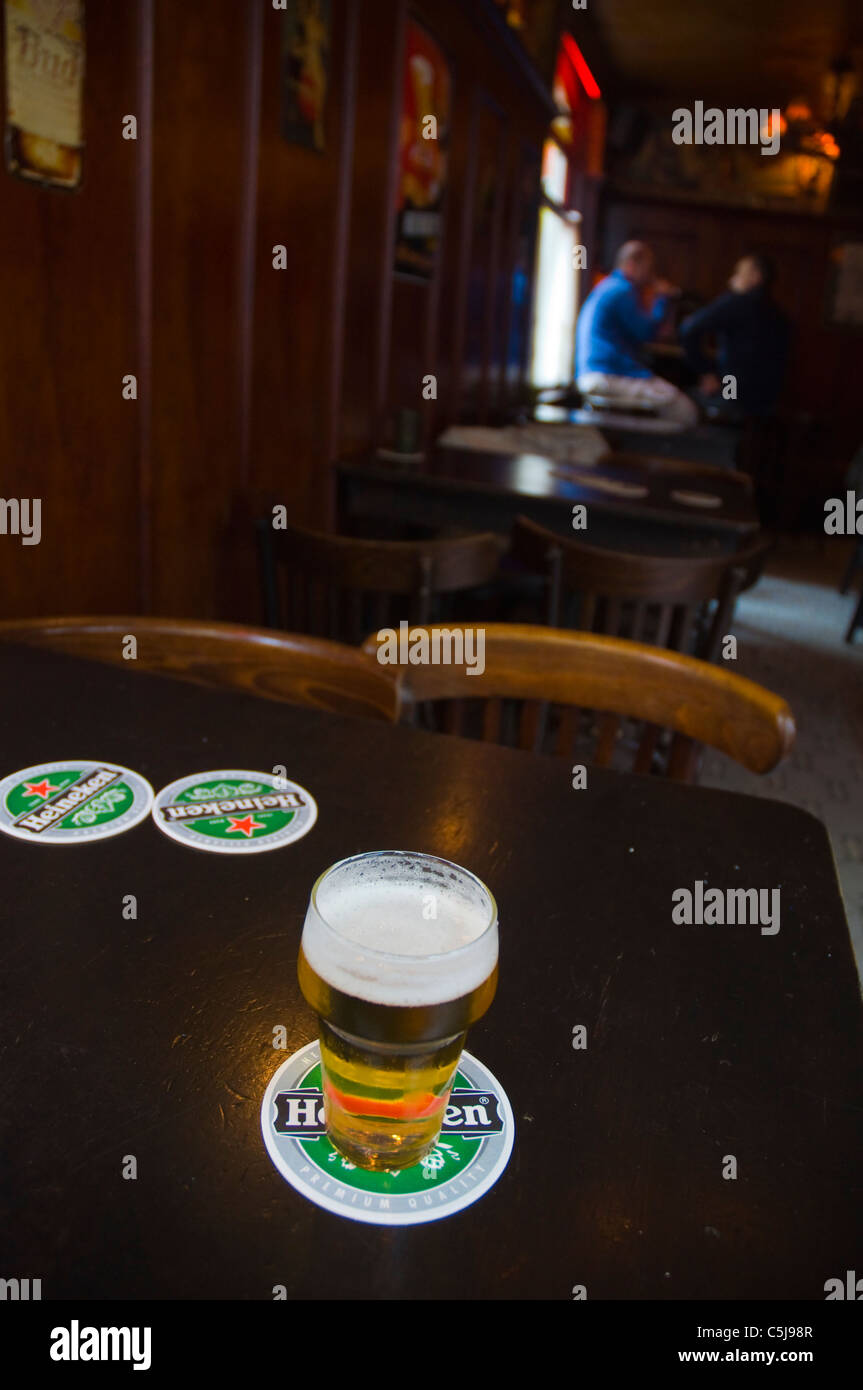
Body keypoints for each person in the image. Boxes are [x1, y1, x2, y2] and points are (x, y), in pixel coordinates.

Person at [575, 241, 698, 426]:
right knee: (684, 409)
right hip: (607, 374)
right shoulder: (622, 290)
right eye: (648, 269)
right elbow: (646, 332)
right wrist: (662, 298)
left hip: (593, 373)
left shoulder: (608, 286)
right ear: (632, 264)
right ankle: (653, 452)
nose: (650, 276)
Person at [679, 253, 790, 420]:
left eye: (739, 273)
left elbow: (689, 328)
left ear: (755, 276)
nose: (732, 280)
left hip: (732, 391)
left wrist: (706, 371)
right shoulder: (779, 315)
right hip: (767, 401)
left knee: (682, 400)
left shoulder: (738, 302)